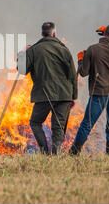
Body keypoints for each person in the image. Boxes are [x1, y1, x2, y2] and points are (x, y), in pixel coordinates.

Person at [70, 24, 109, 155]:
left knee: (87, 124)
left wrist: (80, 59)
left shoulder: (92, 50)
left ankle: (73, 153)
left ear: (103, 34)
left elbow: (83, 73)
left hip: (98, 94)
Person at [18, 22, 77, 154]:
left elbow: (21, 70)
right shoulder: (64, 50)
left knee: (35, 122)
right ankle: (56, 155)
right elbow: (73, 74)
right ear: (54, 33)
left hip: (43, 94)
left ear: (42, 34)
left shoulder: (34, 50)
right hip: (64, 94)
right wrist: (73, 96)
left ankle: (45, 153)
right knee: (58, 126)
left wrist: (23, 53)